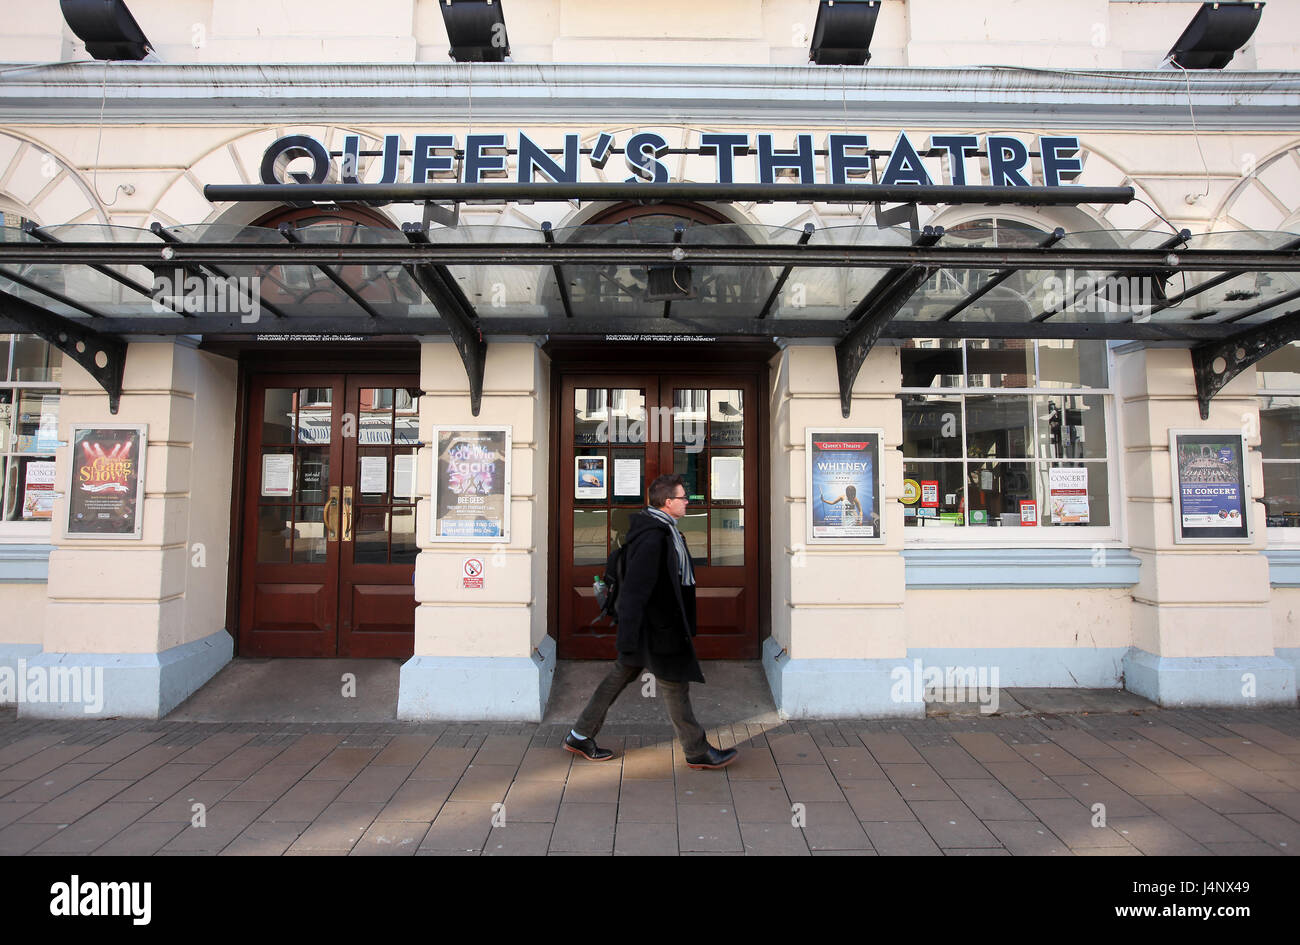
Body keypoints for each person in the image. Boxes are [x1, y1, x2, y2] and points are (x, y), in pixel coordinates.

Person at [564, 473, 738, 770]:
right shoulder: (654, 537)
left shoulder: (664, 530)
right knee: (675, 685)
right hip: (656, 629)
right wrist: (629, 634)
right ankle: (696, 751)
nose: (688, 502)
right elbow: (635, 590)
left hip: (654, 628)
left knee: (619, 678)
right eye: (683, 498)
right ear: (668, 502)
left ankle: (579, 735)